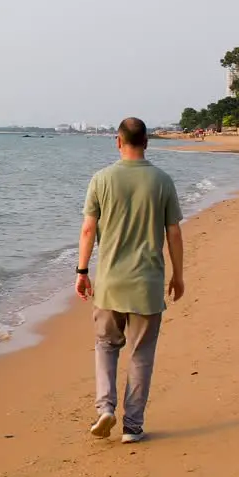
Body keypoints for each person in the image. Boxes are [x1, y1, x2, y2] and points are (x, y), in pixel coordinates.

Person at [75, 117, 184, 443]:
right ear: (147, 142)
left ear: (118, 142)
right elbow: (174, 233)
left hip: (110, 284)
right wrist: (178, 275)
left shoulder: (101, 179)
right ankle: (132, 427)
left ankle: (105, 407)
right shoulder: (162, 181)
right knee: (141, 355)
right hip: (147, 286)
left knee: (106, 346)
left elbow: (88, 230)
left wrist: (82, 272)